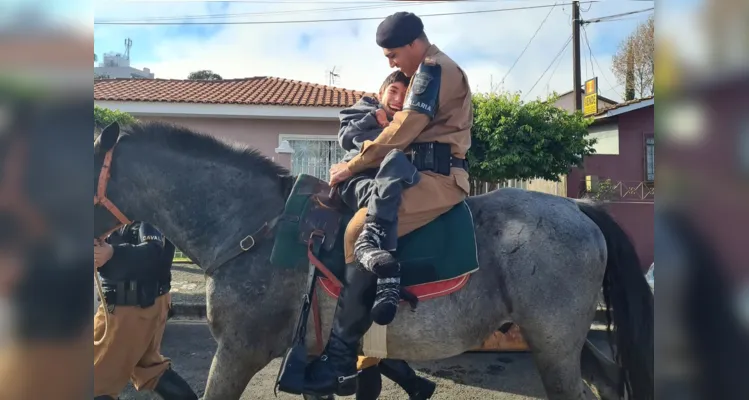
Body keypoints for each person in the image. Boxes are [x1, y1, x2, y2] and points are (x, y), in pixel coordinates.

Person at [294, 11, 473, 397]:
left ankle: (340, 357)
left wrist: (354, 164)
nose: (391, 63)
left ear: (413, 43)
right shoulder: (427, 68)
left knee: (360, 230)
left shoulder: (433, 67)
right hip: (414, 172)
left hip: (437, 178)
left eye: (393, 54)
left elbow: (405, 127)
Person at [335, 70, 421, 325]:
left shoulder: (408, 124)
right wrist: (373, 119)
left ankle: (385, 276)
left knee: (395, 178)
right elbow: (347, 138)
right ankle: (369, 247)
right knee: (382, 194)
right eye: (393, 91)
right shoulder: (361, 110)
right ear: (381, 92)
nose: (396, 99)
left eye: (403, 96)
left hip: (389, 183)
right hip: (357, 180)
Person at [93, 221, 197, 400]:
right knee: (150, 369)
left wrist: (112, 253)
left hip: (128, 308)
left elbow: (154, 253)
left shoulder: (140, 214)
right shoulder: (129, 215)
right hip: (144, 306)